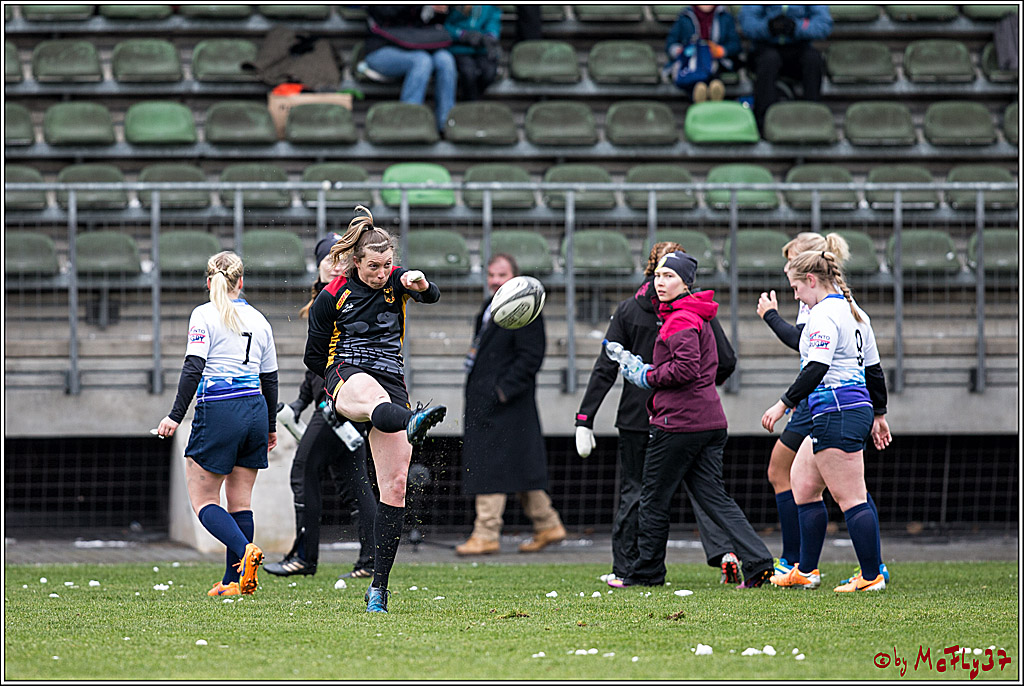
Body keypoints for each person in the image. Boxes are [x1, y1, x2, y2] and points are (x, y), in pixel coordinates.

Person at [304, 205, 447, 613]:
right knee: (374, 400)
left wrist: (420, 284)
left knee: (395, 485)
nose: (381, 272)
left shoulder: (397, 279)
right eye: (373, 266)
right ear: (354, 261)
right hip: (347, 370)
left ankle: (378, 588)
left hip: (391, 376)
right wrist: (333, 387)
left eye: (386, 265)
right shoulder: (331, 296)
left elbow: (431, 294)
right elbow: (313, 357)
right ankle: (413, 420)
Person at [575, 242, 744, 585]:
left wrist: (585, 417)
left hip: (639, 417)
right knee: (705, 491)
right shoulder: (699, 310)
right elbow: (726, 359)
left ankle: (628, 567)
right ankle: (724, 551)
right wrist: (702, 391)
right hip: (690, 416)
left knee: (639, 493)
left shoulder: (628, 311)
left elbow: (607, 365)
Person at [605, 251, 774, 589]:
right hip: (710, 421)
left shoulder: (680, 318)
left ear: (686, 282)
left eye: (669, 276)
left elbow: (685, 369)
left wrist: (647, 375)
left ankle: (647, 573)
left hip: (678, 424)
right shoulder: (697, 314)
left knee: (653, 498)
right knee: (714, 497)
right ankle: (758, 564)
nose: (660, 281)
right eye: (657, 275)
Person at [756, 232, 888, 585]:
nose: (795, 295)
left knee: (852, 497)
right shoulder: (855, 312)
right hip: (842, 409)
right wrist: (879, 413)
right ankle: (805, 571)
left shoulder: (824, 315)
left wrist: (783, 404)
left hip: (837, 409)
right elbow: (874, 370)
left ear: (811, 280)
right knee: (802, 483)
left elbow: (816, 367)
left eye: (796, 287)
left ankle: (872, 576)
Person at [156, 251, 278, 597]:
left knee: (204, 499)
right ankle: (232, 583)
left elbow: (193, 367)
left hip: (221, 411)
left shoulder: (204, 314)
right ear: (241, 282)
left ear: (209, 282)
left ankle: (245, 552)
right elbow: (270, 378)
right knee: (241, 501)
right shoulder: (259, 319)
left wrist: (174, 416)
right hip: (255, 409)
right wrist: (269, 425)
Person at [265, 234, 376, 580]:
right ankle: (371, 560)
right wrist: (301, 400)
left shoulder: (351, 297)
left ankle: (304, 557)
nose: (334, 262)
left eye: (340, 256)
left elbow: (339, 361)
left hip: (341, 400)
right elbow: (318, 363)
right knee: (355, 483)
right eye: (327, 257)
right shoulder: (325, 298)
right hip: (337, 399)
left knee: (303, 471)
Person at [456, 253, 566, 556]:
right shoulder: (489, 307)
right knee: (518, 466)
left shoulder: (526, 309)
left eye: (501, 275)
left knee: (490, 467)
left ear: (515, 278)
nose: (494, 280)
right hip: (487, 403)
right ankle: (548, 524)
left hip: (508, 404)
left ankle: (486, 533)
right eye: (491, 274)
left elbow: (532, 356)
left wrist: (501, 392)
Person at [361, 5, 457, 131]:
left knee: (446, 60)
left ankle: (446, 124)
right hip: (381, 49)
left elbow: (436, 23)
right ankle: (409, 123)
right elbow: (386, 12)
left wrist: (439, 9)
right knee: (422, 61)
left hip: (420, 43)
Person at [737, 5, 832, 130]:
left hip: (798, 46)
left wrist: (796, 27)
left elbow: (823, 24)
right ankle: (764, 123)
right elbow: (748, 23)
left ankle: (812, 119)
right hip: (765, 48)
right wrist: (768, 27)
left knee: (813, 59)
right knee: (769, 60)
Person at [665, 5, 742, 103]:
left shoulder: (725, 16)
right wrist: (681, 51)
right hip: (690, 62)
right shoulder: (685, 16)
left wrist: (720, 50)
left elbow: (736, 45)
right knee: (694, 76)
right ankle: (700, 93)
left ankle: (712, 90)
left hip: (715, 62)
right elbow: (671, 44)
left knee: (712, 69)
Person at [445, 5, 502, 102]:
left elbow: (494, 23)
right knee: (468, 73)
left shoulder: (490, 6)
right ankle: (470, 105)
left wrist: (489, 36)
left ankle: (474, 102)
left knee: (489, 73)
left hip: (482, 48)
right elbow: (447, 26)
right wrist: (463, 35)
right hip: (460, 48)